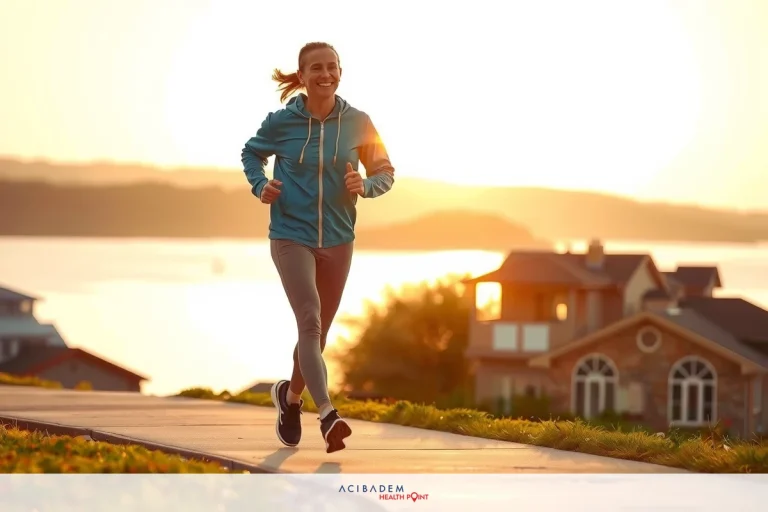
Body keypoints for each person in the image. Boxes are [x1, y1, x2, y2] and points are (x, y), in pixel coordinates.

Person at [240, 42, 395, 453]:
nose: (325, 74)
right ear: (303, 76)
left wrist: (367, 185)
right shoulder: (282, 122)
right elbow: (251, 153)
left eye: (332, 67)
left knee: (319, 333)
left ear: (340, 72)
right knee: (309, 320)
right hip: (291, 235)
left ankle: (290, 400)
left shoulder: (359, 122)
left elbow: (385, 171)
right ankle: (328, 414)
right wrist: (261, 185)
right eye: (316, 69)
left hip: (339, 241)